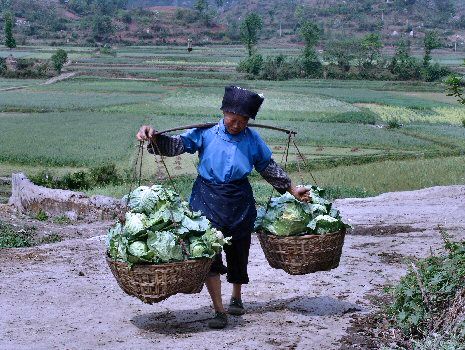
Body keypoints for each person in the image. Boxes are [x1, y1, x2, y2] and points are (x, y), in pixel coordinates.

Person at [136, 86, 310, 329]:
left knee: (239, 250)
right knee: (210, 252)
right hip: (207, 196)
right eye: (232, 119)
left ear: (248, 120)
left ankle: (236, 297)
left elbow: (267, 166)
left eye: (243, 121)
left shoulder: (252, 139)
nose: (236, 125)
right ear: (224, 112)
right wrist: (153, 136)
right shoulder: (206, 133)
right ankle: (218, 310)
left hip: (239, 198)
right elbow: (177, 145)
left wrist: (293, 189)